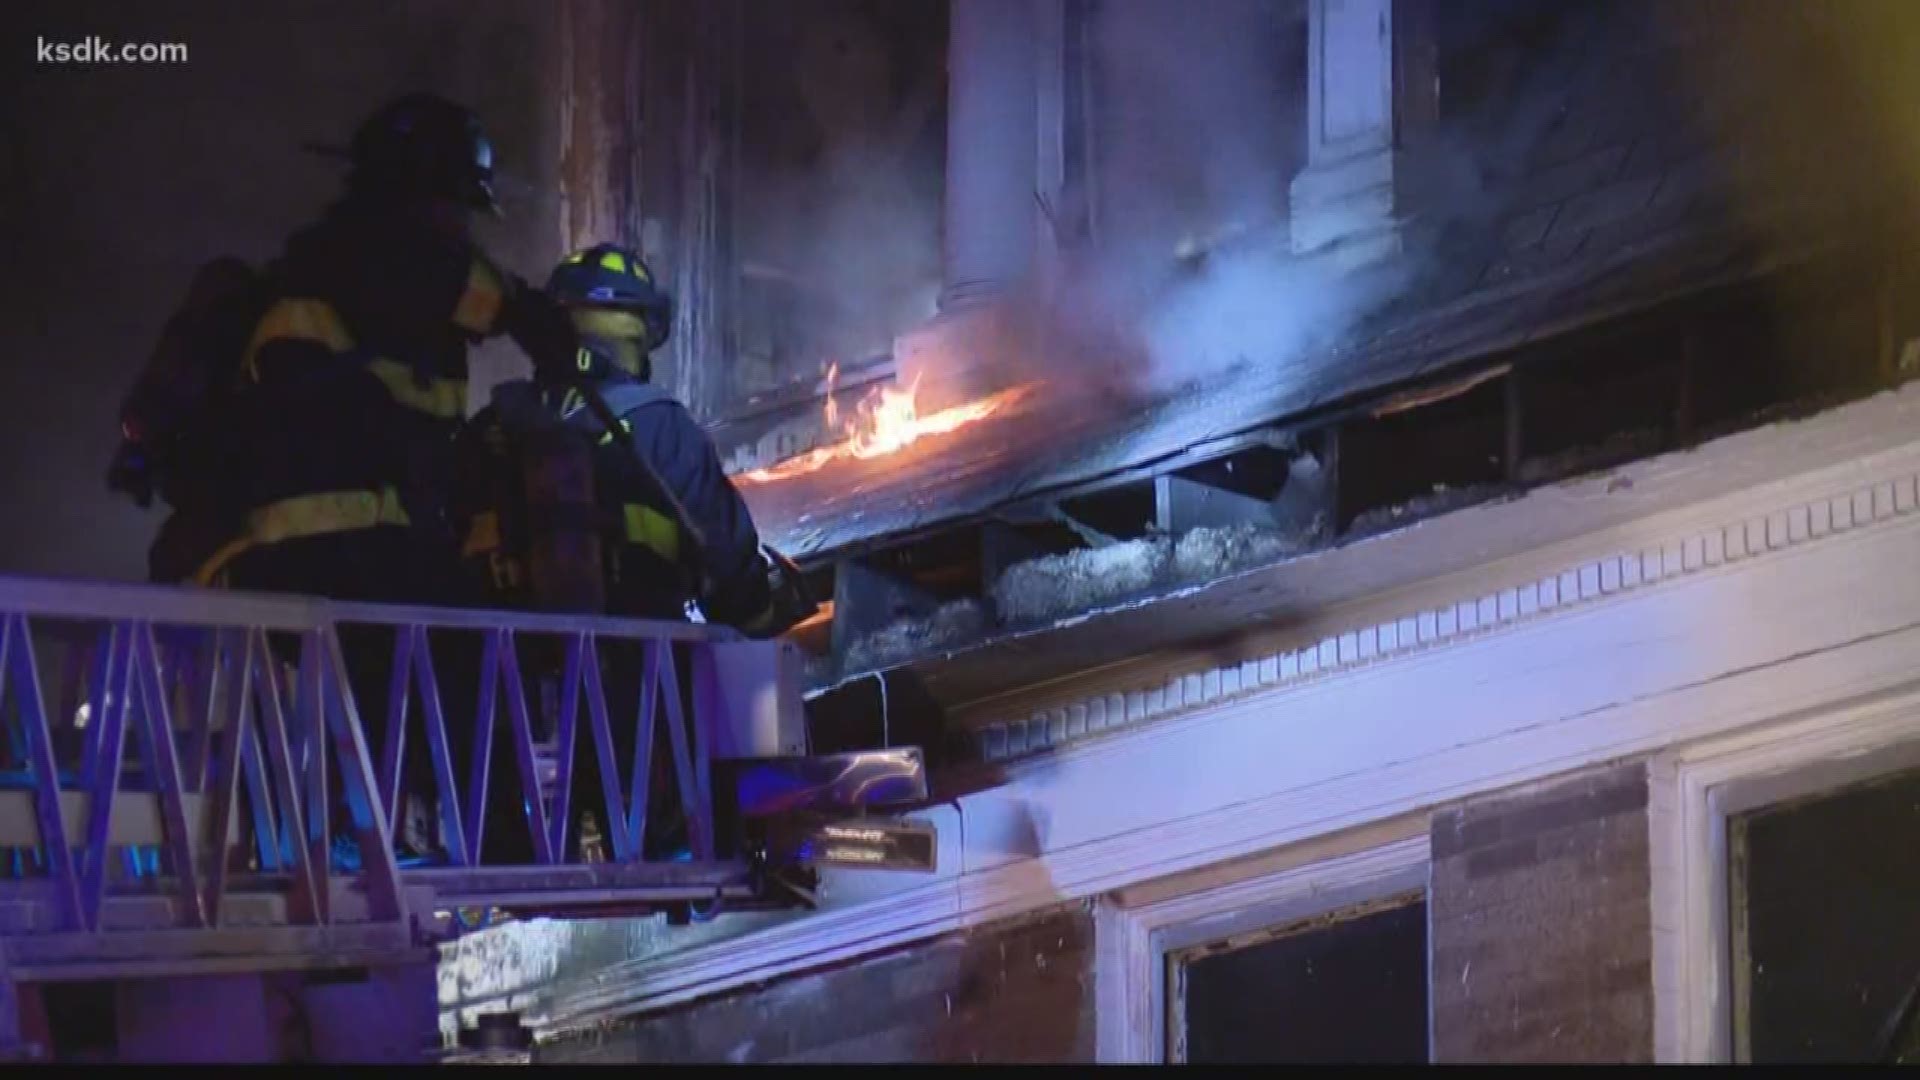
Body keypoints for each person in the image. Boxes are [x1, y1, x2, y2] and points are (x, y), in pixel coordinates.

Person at [157, 93, 580, 865]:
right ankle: (505, 852)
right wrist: (548, 327)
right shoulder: (395, 249)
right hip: (356, 539)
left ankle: (362, 848)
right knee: (477, 655)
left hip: (277, 554)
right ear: (429, 191)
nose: (464, 221)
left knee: (377, 697)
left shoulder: (314, 265)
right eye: (459, 203)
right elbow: (486, 292)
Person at [451, 243, 809, 860]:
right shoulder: (659, 425)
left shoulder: (492, 428)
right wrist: (764, 612)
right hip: (637, 699)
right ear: (635, 334)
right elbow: (728, 561)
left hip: (506, 706)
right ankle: (747, 829)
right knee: (734, 662)